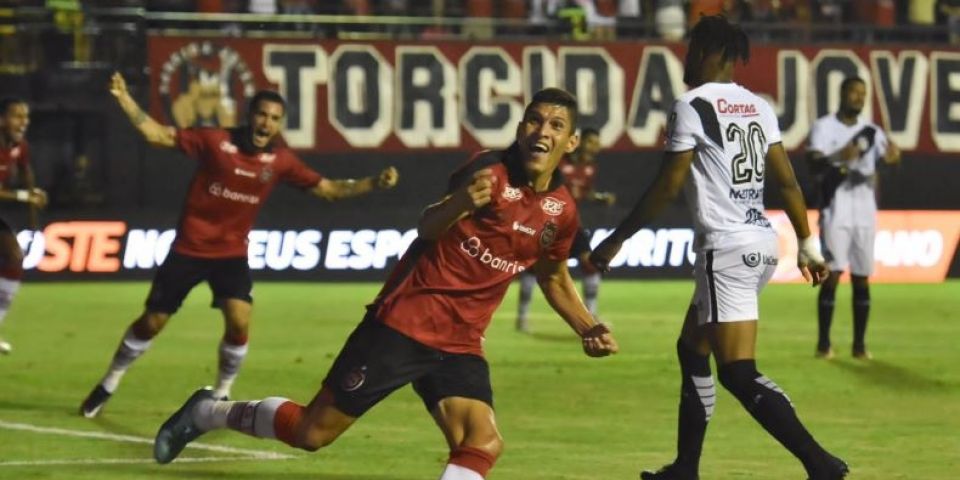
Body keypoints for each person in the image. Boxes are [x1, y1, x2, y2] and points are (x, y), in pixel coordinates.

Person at [151, 88, 619, 479]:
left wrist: (587, 326)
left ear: (571, 141)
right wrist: (461, 202)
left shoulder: (562, 210)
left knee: (482, 441)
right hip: (403, 326)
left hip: (461, 342)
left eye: (556, 125)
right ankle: (207, 412)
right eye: (535, 121)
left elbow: (553, 275)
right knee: (311, 432)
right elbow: (427, 227)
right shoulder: (488, 172)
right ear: (520, 128)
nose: (542, 131)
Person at [590, 15, 848, 480]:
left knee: (738, 371)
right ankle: (685, 468)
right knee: (692, 348)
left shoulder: (691, 105)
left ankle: (819, 463)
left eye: (692, 49)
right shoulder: (758, 106)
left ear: (713, 53)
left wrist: (617, 238)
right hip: (761, 242)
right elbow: (788, 182)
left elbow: (668, 185)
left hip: (725, 248)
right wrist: (808, 244)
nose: (685, 59)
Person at [79, 73, 399, 417]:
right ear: (250, 115)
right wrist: (124, 97)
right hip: (189, 249)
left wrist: (372, 183)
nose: (266, 123)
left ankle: (221, 393)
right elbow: (156, 135)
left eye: (274, 118)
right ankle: (109, 382)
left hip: (230, 254)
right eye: (262, 115)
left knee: (240, 320)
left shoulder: (280, 161)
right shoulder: (215, 141)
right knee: (152, 322)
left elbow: (329, 190)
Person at [807, 76, 900, 360]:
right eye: (854, 92)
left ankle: (859, 346)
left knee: (862, 277)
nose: (859, 97)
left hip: (865, 212)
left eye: (863, 93)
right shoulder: (824, 127)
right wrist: (839, 155)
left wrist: (893, 158)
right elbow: (812, 163)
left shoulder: (872, 131)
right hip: (836, 209)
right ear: (842, 93)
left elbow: (886, 163)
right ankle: (824, 344)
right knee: (832, 275)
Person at [516, 127, 616, 332]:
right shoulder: (558, 161)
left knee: (590, 264)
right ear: (579, 142)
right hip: (545, 222)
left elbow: (584, 192)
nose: (595, 147)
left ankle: (591, 315)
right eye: (591, 142)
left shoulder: (590, 168)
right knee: (532, 268)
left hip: (571, 224)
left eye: (597, 144)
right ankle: (522, 317)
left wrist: (599, 198)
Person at [0, 98, 48, 355]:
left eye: (25, 116)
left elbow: (26, 171)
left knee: (15, 257)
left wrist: (33, 197)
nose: (24, 122)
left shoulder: (19, 146)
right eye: (17, 116)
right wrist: (24, 196)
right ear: (2, 120)